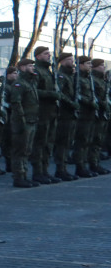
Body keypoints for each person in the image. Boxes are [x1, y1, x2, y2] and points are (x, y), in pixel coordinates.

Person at [30, 47, 60, 184]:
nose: (49, 55)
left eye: (49, 53)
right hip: (41, 112)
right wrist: (51, 95)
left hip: (51, 112)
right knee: (40, 144)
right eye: (45, 54)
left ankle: (45, 171)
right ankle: (38, 172)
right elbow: (34, 91)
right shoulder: (36, 71)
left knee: (48, 144)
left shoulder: (48, 71)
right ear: (37, 56)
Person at [53, 52, 80, 182]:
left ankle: (64, 168)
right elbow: (59, 93)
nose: (72, 61)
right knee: (62, 143)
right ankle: (60, 169)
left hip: (70, 114)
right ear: (62, 61)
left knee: (68, 142)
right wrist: (71, 103)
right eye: (70, 59)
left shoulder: (71, 76)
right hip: (64, 113)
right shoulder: (62, 76)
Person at [73, 56, 98, 178]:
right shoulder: (77, 78)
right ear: (81, 65)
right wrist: (89, 102)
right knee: (81, 142)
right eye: (88, 63)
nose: (90, 66)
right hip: (82, 114)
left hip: (90, 114)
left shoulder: (89, 78)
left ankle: (86, 165)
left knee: (88, 141)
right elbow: (78, 95)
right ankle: (80, 166)